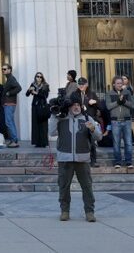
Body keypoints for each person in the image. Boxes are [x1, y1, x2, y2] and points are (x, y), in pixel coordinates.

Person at [51, 93, 99, 222]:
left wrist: (93, 128)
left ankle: (89, 212)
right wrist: (55, 115)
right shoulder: (61, 119)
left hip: (83, 159)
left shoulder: (87, 118)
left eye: (78, 104)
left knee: (87, 187)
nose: (76, 107)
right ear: (69, 106)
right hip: (64, 158)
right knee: (63, 186)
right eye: (73, 105)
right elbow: (51, 132)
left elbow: (98, 137)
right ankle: (65, 211)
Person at [105, 76, 134, 169]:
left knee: (128, 142)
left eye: (121, 83)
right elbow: (108, 107)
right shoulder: (109, 93)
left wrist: (124, 101)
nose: (119, 85)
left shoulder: (127, 92)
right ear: (114, 84)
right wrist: (118, 102)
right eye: (117, 83)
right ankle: (118, 161)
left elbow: (132, 105)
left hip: (126, 121)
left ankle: (128, 161)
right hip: (115, 121)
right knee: (116, 142)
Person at [76, 77, 100, 166]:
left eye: (83, 84)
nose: (81, 86)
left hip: (90, 119)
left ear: (87, 84)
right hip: (79, 120)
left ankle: (93, 161)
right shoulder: (75, 94)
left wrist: (95, 102)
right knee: (80, 141)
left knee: (92, 141)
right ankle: (81, 161)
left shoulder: (92, 93)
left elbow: (100, 106)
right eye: (79, 84)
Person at [26, 72, 50, 148]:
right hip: (35, 106)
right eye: (37, 76)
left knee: (43, 124)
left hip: (42, 106)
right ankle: (37, 142)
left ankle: (43, 142)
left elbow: (45, 96)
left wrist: (36, 93)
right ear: (35, 77)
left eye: (40, 77)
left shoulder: (45, 85)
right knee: (35, 124)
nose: (39, 78)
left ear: (42, 78)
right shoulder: (33, 84)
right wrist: (29, 90)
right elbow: (27, 94)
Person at [1, 64, 21, 147]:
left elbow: (19, 88)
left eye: (5, 69)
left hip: (10, 103)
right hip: (8, 103)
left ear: (10, 70)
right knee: (10, 122)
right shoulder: (9, 79)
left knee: (9, 122)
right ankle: (13, 140)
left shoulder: (11, 79)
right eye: (2, 69)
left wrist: (9, 93)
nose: (3, 70)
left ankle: (14, 141)